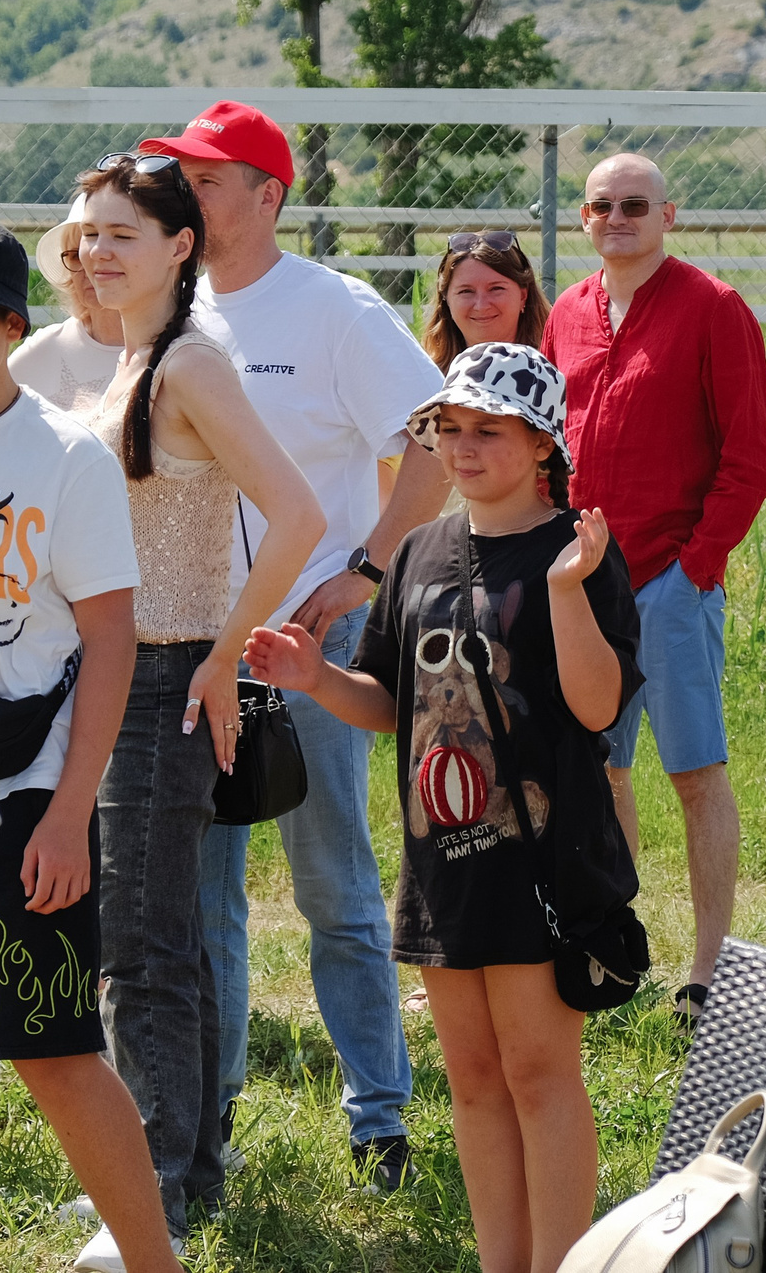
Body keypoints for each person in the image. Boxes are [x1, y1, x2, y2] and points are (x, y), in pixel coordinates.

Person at [245, 342, 642, 1273]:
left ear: (543, 442)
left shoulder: (577, 551)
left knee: (540, 1074)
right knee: (470, 1078)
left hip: (542, 858)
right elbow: (392, 704)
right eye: (448, 428)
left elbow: (598, 708)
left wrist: (566, 591)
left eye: (487, 430)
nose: (462, 447)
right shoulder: (422, 549)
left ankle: (561, 1263)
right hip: (442, 859)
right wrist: (316, 677)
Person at [137, 102, 448, 1190]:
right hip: (189, 640)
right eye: (179, 172)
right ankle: (208, 1118)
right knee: (201, 891)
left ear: (270, 195)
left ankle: (379, 1117)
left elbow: (434, 447)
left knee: (331, 882)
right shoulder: (162, 308)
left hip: (305, 639)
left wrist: (359, 573)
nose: (188, 190)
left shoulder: (333, 312)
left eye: (210, 177)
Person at [0, 212, 181, 1273]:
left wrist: (68, 811)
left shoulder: (67, 459)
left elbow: (110, 638)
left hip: (23, 796)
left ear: (13, 323)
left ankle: (155, 1260)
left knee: (53, 1050)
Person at [77, 148, 325, 1250]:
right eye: (88, 234)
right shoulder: (136, 361)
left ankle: (155, 1197)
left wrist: (225, 656)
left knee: (138, 947)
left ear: (182, 246)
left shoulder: (186, 365)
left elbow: (300, 513)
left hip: (163, 678)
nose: (98, 252)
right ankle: (193, 1165)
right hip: (124, 677)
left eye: (122, 233)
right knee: (161, 934)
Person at [543, 152, 766, 1019]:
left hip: (672, 580)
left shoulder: (714, 309)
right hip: (584, 581)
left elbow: (750, 458)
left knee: (694, 770)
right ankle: (613, 945)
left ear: (668, 214)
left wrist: (696, 568)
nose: (617, 218)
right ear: (583, 220)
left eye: (635, 204)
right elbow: (546, 445)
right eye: (601, 205)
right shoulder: (566, 314)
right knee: (600, 770)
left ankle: (708, 967)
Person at [14, 189, 126, 414]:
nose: (91, 266)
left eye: (103, 252)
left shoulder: (179, 353)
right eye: (75, 256)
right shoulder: (45, 346)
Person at [423, 228, 553, 371]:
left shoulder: (554, 374)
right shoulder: (428, 378)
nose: (481, 306)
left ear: (523, 296)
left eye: (496, 289)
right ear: (446, 299)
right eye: (466, 291)